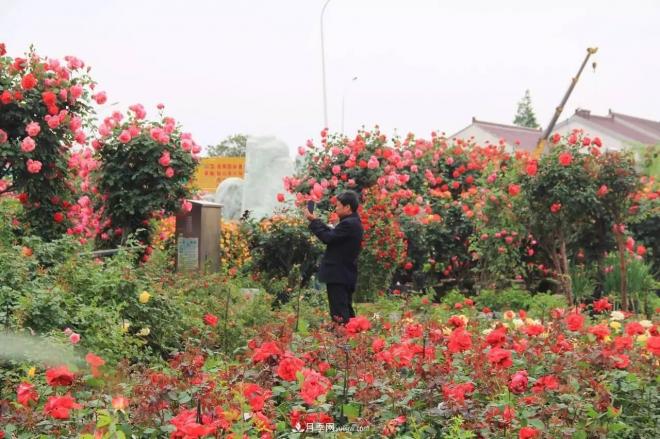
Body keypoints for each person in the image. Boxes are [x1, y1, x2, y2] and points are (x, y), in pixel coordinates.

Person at [304, 190, 363, 325]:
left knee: (340, 314)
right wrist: (316, 221)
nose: (335, 209)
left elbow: (328, 237)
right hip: (343, 274)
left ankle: (343, 342)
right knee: (345, 311)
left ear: (347, 207)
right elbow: (333, 233)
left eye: (338, 206)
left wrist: (313, 221)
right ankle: (353, 339)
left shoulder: (349, 224)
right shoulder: (352, 222)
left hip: (339, 275)